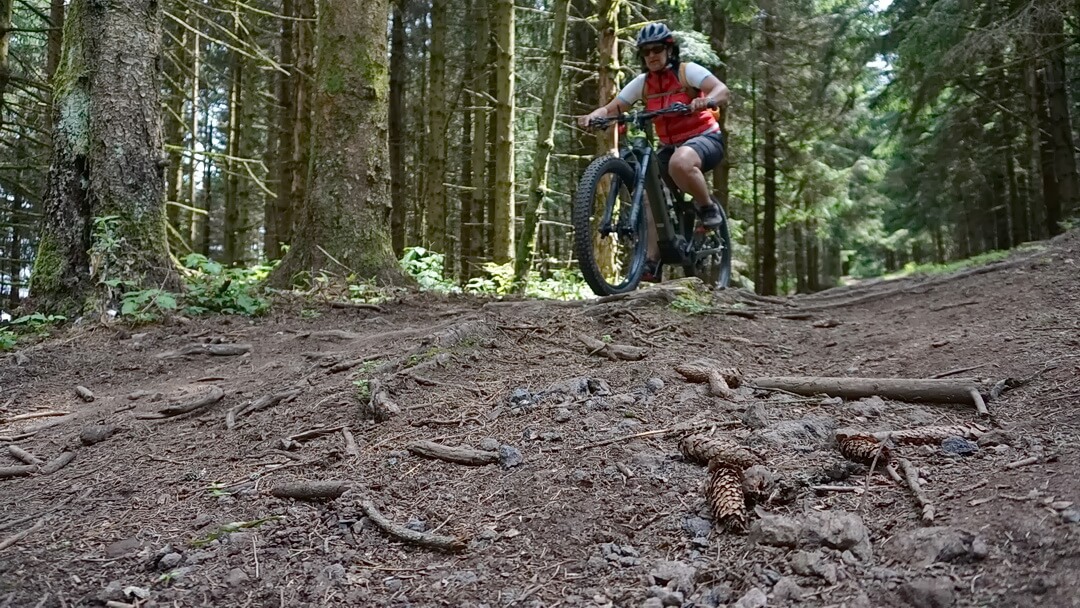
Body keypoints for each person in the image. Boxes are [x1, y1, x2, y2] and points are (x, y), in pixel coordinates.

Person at [578, 23, 731, 282]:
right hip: (670, 146)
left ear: (669, 50)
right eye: (646, 52)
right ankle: (651, 260)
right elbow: (615, 107)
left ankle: (707, 208)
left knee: (679, 163)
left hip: (705, 138)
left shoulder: (687, 72)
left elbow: (722, 90)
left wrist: (707, 99)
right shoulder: (643, 83)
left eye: (657, 49)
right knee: (649, 192)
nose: (652, 55)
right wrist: (596, 114)